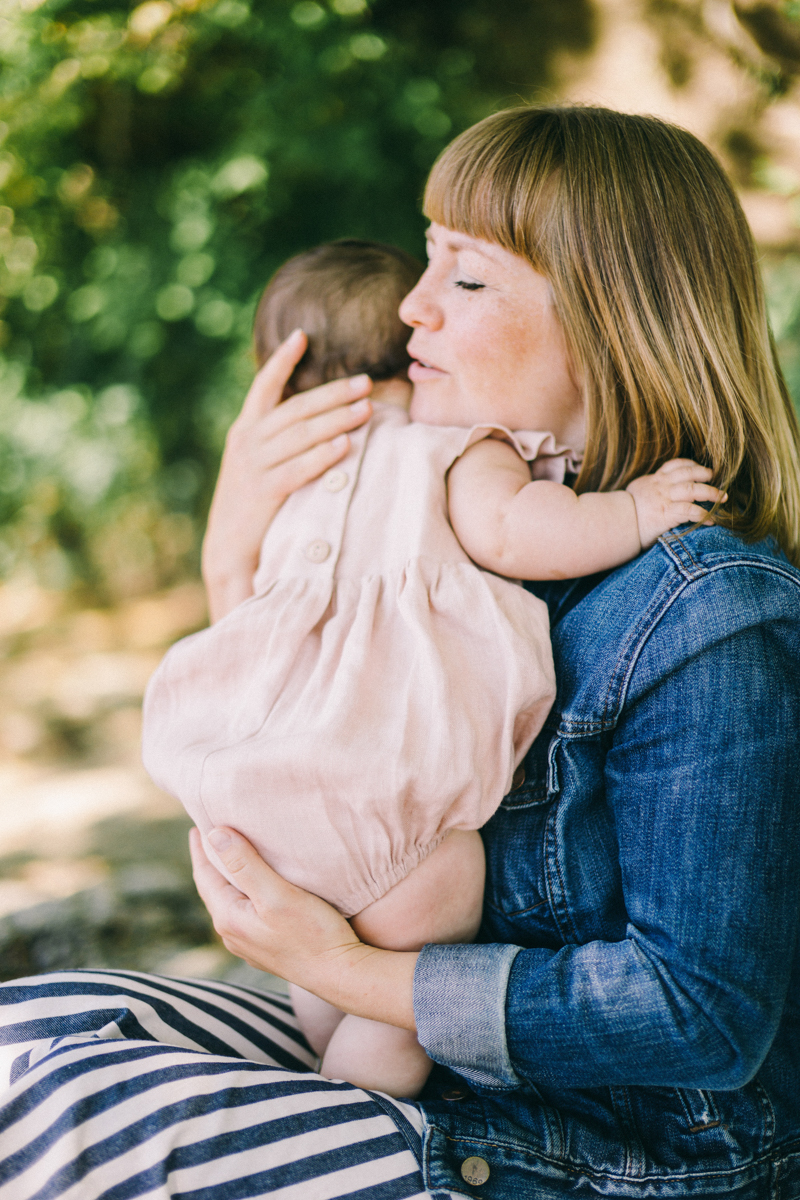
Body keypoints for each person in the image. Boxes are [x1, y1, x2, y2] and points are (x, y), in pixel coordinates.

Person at [1, 104, 799, 1200]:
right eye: (426, 262)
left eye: (465, 281)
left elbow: (701, 1016)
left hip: (633, 1150)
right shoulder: (456, 547)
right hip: (458, 1076)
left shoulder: (705, 619)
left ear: (612, 324)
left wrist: (345, 972)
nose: (411, 307)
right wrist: (236, 560)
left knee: (80, 1119)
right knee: (34, 1026)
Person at [142, 237, 722, 1098]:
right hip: (398, 815)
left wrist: (228, 551)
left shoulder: (293, 487)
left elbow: (265, 635)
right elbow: (519, 532)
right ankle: (350, 1113)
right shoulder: (451, 447)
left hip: (271, 816)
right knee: (391, 1011)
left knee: (325, 982)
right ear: (408, 356)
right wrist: (635, 509)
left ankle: (320, 1071)